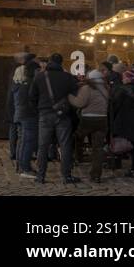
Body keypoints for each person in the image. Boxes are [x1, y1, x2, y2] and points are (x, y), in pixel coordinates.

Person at [29, 53, 80, 186]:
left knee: (43, 146)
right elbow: (76, 94)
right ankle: (66, 176)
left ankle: (40, 176)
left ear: (50, 62)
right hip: (62, 115)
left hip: (45, 114)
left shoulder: (39, 77)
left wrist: (38, 110)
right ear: (61, 63)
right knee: (65, 145)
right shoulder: (68, 77)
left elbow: (32, 97)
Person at [68, 68, 110, 184]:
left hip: (88, 119)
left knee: (77, 137)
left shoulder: (87, 88)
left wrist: (69, 96)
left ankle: (76, 157)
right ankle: (96, 175)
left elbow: (79, 103)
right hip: (102, 119)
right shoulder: (106, 88)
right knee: (98, 148)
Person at [109, 69, 134, 176]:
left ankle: (116, 164)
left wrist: (112, 118)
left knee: (118, 141)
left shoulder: (121, 89)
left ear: (126, 78)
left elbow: (115, 105)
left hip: (123, 119)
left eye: (123, 78)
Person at [14, 58, 39, 178]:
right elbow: (32, 101)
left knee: (24, 142)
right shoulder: (31, 83)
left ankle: (21, 166)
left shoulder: (20, 83)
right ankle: (25, 168)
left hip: (21, 114)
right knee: (28, 142)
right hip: (29, 115)